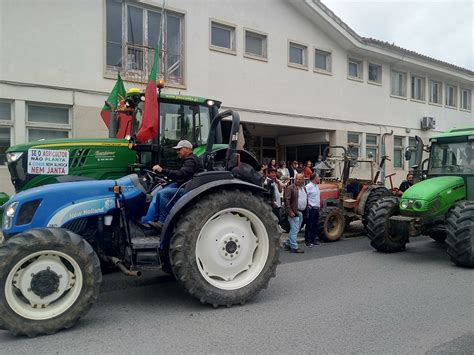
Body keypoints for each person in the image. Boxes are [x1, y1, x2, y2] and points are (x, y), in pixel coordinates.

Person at [141, 139, 204, 230]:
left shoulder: (191, 160)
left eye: (179, 149)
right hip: (185, 185)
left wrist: (163, 171)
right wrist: (164, 175)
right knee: (160, 192)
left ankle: (162, 222)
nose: (177, 152)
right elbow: (181, 175)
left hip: (188, 189)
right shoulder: (189, 160)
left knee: (163, 194)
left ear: (187, 149)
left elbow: (181, 174)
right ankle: (155, 220)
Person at [284, 173, 307, 253]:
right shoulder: (291, 187)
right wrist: (290, 211)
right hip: (294, 212)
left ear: (303, 180)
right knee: (294, 230)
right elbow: (286, 200)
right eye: (296, 178)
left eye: (299, 179)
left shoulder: (304, 188)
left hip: (301, 212)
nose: (297, 180)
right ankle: (294, 247)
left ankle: (288, 243)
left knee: (295, 230)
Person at [304, 173, 321, 248]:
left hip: (317, 208)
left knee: (315, 224)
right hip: (311, 208)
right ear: (314, 178)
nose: (319, 178)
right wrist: (308, 205)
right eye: (318, 177)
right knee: (309, 225)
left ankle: (313, 240)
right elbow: (305, 195)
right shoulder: (308, 186)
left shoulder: (316, 186)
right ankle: (307, 241)